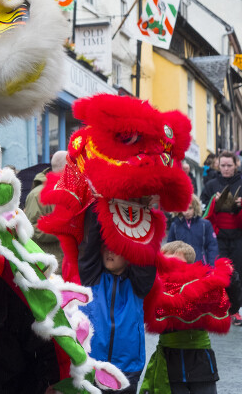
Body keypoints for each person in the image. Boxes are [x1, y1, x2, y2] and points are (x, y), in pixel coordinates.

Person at [79, 206, 156, 394]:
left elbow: (145, 249)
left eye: (116, 248)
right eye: (106, 246)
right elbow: (90, 240)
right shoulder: (92, 277)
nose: (109, 251)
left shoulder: (138, 284)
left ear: (129, 255)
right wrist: (102, 205)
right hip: (92, 365)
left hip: (127, 368)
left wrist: (140, 210)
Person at [139, 241, 233, 394]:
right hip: (170, 362)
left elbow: (230, 305)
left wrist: (231, 283)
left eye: (177, 264)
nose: (172, 269)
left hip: (201, 363)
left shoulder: (205, 287)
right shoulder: (155, 286)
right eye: (166, 264)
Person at [202, 150, 242, 325]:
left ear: (236, 165)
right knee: (219, 273)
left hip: (239, 235)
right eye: (223, 165)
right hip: (218, 236)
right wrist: (213, 201)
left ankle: (236, 309)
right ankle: (221, 307)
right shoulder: (211, 184)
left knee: (238, 273)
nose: (226, 169)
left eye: (229, 165)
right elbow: (202, 207)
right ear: (218, 165)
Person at [24, 150, 67, 266]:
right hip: (50, 267)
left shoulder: (70, 191)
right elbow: (32, 228)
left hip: (67, 265)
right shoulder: (37, 195)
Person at [168, 195, 218, 265]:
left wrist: (212, 265)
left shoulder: (205, 224)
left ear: (195, 207)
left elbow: (212, 246)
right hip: (182, 266)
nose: (187, 212)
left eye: (190, 208)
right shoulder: (175, 226)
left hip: (202, 264)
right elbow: (169, 248)